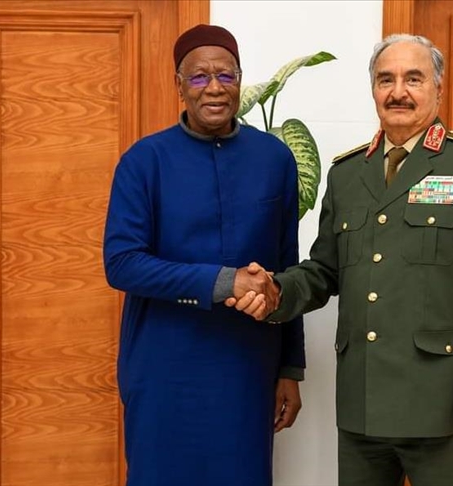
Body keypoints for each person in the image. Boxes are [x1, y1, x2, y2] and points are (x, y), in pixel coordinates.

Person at [229, 33, 453, 486]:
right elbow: (324, 270)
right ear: (373, 88)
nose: (398, 92)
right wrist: (276, 291)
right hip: (363, 407)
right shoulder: (348, 173)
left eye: (414, 79)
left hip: (445, 408)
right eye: (385, 79)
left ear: (438, 88)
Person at [103, 24, 305, 486]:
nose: (213, 88)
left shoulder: (274, 159)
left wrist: (290, 369)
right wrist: (223, 282)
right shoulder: (144, 161)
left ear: (239, 81)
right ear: (179, 85)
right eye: (198, 77)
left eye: (226, 75)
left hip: (247, 367)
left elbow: (286, 268)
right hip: (163, 365)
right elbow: (122, 263)